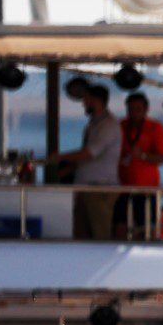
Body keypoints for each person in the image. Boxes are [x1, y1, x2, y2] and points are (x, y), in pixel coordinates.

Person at [49, 85, 123, 239]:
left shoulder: (108, 126)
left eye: (86, 100)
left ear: (96, 100)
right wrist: (69, 169)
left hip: (100, 188)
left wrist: (60, 157)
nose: (83, 104)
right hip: (84, 187)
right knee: (80, 234)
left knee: (100, 235)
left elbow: (90, 153)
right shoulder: (92, 125)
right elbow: (86, 156)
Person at [116, 92, 163, 238]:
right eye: (130, 109)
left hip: (147, 189)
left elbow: (162, 157)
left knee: (146, 229)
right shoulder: (120, 126)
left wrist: (143, 156)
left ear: (146, 109)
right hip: (122, 188)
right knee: (119, 225)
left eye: (137, 109)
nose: (133, 113)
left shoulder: (155, 127)